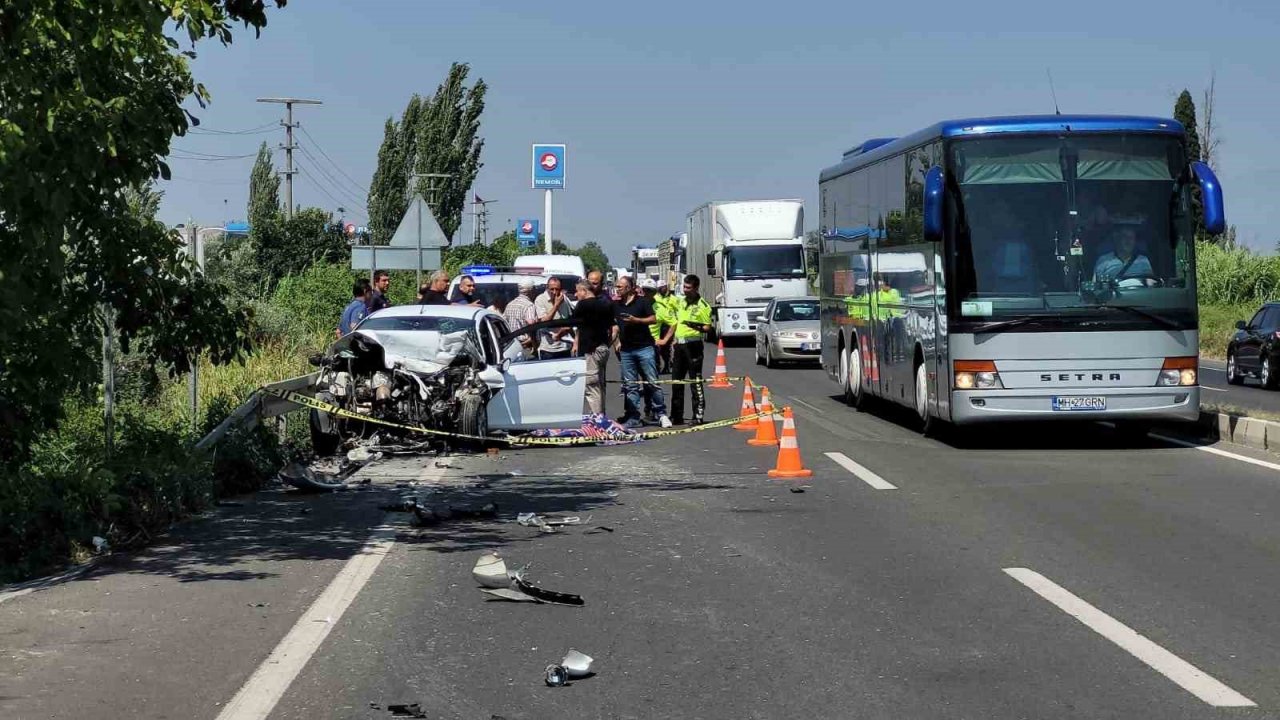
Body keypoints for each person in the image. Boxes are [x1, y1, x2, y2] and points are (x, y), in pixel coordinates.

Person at [613, 276, 671, 429]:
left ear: (630, 287)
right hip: (626, 350)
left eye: (621, 286)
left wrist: (636, 320)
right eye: (617, 286)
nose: (618, 289)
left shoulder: (643, 301)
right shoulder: (616, 305)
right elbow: (615, 325)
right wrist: (615, 341)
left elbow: (653, 319)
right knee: (630, 385)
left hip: (644, 348)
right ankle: (633, 416)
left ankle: (661, 414)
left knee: (652, 382)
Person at [661, 274, 713, 425]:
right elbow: (675, 322)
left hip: (694, 345)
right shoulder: (681, 302)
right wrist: (669, 341)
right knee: (676, 380)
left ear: (696, 288)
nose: (685, 290)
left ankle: (698, 415)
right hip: (680, 345)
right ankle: (676, 415)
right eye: (684, 287)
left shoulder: (703, 305)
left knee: (695, 381)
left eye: (688, 288)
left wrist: (694, 325)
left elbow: (707, 328)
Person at [572, 280, 616, 417]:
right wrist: (607, 343)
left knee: (591, 386)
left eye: (578, 291)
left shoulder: (583, 305)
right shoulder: (605, 304)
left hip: (591, 350)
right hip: (603, 349)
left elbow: (572, 323)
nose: (576, 294)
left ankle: (597, 420)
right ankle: (601, 415)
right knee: (600, 385)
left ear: (584, 291)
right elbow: (614, 328)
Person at [534, 276, 573, 359]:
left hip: (564, 346)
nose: (554, 292)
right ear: (547, 288)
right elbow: (544, 321)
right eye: (552, 289)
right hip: (549, 349)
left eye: (557, 289)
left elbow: (569, 319)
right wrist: (556, 305)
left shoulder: (564, 299)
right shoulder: (540, 299)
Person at [505, 278, 538, 357]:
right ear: (531, 290)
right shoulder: (529, 305)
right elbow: (531, 324)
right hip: (526, 347)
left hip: (512, 346)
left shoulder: (510, 305)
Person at [651, 280, 676, 374]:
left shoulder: (673, 299)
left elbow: (679, 310)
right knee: (656, 347)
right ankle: (657, 365)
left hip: (668, 324)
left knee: (666, 347)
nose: (662, 289)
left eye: (663, 287)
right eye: (660, 288)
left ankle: (667, 364)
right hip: (658, 324)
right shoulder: (655, 298)